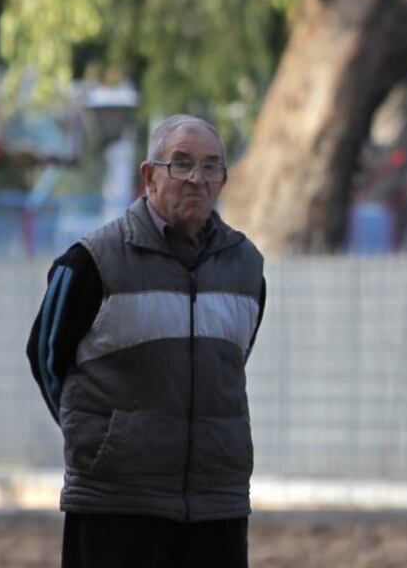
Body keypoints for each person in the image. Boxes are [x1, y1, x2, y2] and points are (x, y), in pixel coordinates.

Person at [27, 115, 266, 568]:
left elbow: (230, 363)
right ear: (149, 176)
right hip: (116, 504)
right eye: (181, 164)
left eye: (211, 167)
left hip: (217, 506)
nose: (196, 179)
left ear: (223, 179)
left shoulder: (247, 267)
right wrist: (105, 440)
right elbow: (45, 357)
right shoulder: (91, 262)